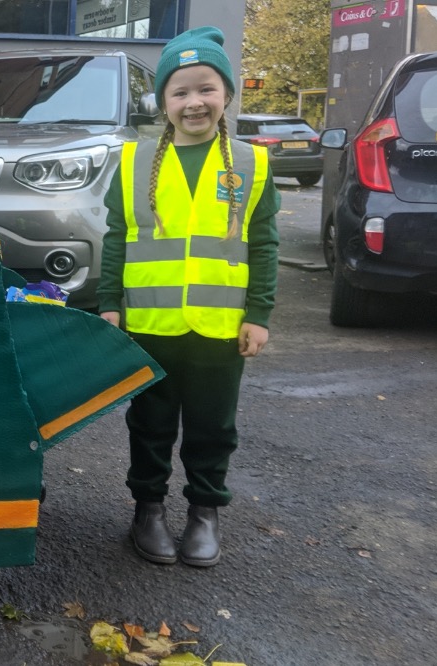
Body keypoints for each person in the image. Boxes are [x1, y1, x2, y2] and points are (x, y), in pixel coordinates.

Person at [97, 26, 280, 567]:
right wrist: (110, 304)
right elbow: (117, 239)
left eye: (206, 88)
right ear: (163, 102)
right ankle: (147, 511)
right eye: (180, 91)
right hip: (148, 323)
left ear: (226, 94)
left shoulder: (252, 164)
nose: (194, 102)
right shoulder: (133, 164)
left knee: (212, 426)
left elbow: (264, 244)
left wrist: (259, 314)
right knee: (150, 423)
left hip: (220, 328)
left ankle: (204, 512)